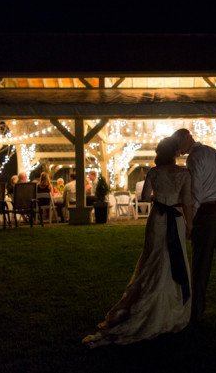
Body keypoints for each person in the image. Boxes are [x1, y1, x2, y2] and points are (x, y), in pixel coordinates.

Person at [82, 137, 193, 348]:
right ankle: (172, 307)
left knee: (153, 257)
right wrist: (190, 224)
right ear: (175, 153)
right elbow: (187, 200)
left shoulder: (153, 172)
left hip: (158, 218)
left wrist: (158, 199)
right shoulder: (184, 173)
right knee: (173, 256)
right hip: (176, 219)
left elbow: (144, 197)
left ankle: (146, 297)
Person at [172, 128, 216, 323]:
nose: (178, 148)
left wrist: (190, 220)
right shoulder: (215, 152)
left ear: (187, 137)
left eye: (178, 143)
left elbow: (196, 191)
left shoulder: (193, 158)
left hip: (208, 212)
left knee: (201, 262)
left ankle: (197, 310)